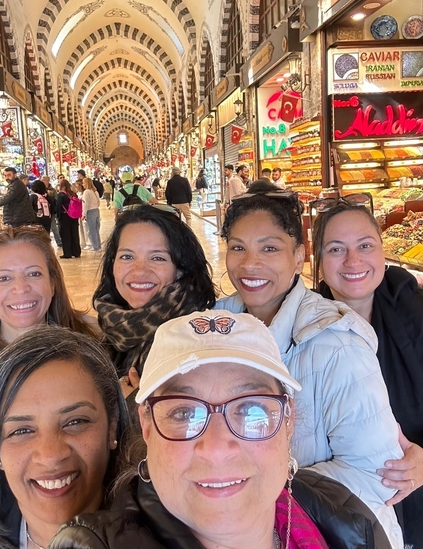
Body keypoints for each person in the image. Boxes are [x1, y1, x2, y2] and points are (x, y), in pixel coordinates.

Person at [48, 311, 392, 549]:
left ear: (288, 421)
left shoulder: (349, 523)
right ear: (147, 427)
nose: (215, 448)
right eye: (184, 413)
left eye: (251, 408)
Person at [215, 191, 404, 548]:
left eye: (269, 248)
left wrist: (248, 488)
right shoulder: (217, 329)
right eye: (238, 248)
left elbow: (376, 474)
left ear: (299, 256)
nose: (249, 263)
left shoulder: (337, 344)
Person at [0, 227, 98, 501]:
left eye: (34, 274)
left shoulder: (93, 345)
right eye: (4, 278)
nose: (20, 288)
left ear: (53, 284)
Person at [0, 325, 129, 549]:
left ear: (112, 426)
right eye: (21, 431)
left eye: (75, 422)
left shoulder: (162, 534)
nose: (51, 456)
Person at [312, 198, 423, 548]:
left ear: (381, 252)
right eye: (336, 249)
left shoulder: (416, 314)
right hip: (344, 516)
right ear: (318, 262)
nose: (353, 260)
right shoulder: (304, 331)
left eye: (365, 246)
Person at [92, 204, 216, 380]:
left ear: (181, 269)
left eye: (158, 258)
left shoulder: (195, 342)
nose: (140, 270)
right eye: (127, 256)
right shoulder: (111, 327)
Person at [56, 178, 81, 259]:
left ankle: (67, 253)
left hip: (64, 216)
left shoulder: (61, 195)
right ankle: (76, 252)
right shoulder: (73, 194)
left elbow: (58, 206)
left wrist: (58, 217)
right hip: (74, 216)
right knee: (74, 234)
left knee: (65, 235)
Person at [42, 175, 62, 246]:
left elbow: (56, 200)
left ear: (48, 181)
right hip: (43, 212)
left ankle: (59, 242)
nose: (43, 181)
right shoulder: (40, 190)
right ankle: (46, 243)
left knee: (54, 228)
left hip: (51, 211)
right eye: (42, 180)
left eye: (44, 180)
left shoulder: (52, 190)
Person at [82, 177, 101, 251]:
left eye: (83, 183)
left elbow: (85, 204)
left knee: (91, 230)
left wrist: (84, 214)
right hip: (96, 210)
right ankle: (98, 245)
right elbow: (98, 202)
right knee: (96, 229)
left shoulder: (86, 192)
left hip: (90, 211)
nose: (83, 185)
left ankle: (95, 247)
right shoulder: (95, 191)